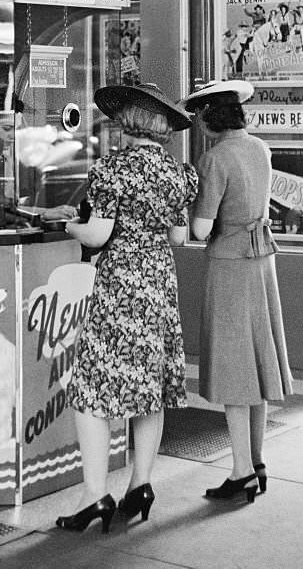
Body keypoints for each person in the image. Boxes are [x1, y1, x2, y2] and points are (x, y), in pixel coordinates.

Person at [55, 82, 198, 534]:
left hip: (121, 284)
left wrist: (67, 226)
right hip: (159, 283)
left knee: (91, 388)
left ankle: (94, 494)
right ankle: (141, 484)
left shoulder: (112, 169)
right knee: (149, 387)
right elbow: (179, 237)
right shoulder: (180, 173)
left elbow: (97, 236)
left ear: (128, 122)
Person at [183, 79, 293, 504]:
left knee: (232, 367)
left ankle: (241, 470)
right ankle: (258, 460)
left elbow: (201, 228)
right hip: (263, 259)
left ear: (210, 118)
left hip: (229, 264)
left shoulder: (214, 158)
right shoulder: (259, 148)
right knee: (259, 359)